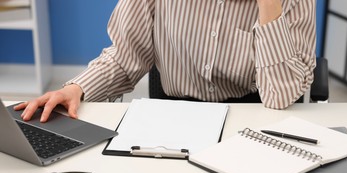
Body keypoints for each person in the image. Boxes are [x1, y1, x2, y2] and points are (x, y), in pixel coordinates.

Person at [15, 0, 316, 122]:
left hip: (252, 116)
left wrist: (269, 9)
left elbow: (280, 96)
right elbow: (126, 56)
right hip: (172, 116)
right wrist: (77, 88)